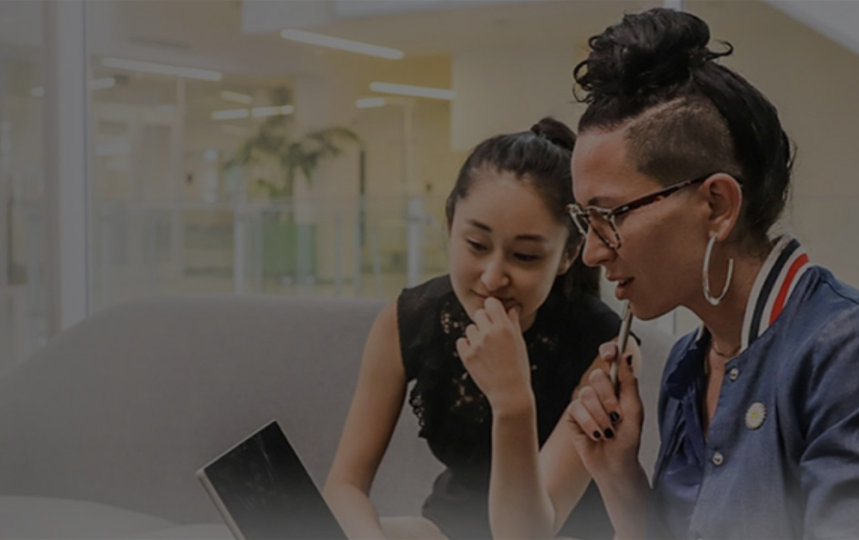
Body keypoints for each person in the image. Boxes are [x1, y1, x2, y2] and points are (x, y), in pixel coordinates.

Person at [485, 7, 859, 540]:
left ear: (716, 206)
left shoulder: (841, 351)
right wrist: (619, 478)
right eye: (583, 221)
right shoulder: (689, 363)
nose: (591, 252)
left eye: (608, 217)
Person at [323, 118, 626, 539]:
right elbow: (344, 486)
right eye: (476, 246)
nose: (492, 277)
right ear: (450, 226)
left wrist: (512, 401)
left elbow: (527, 534)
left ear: (568, 255)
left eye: (525, 256)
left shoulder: (603, 344)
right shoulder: (409, 320)